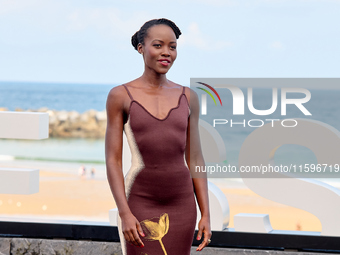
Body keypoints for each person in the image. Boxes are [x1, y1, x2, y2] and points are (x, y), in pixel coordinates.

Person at [105, 18, 211, 255]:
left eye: (172, 47)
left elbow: (196, 160)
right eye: (158, 45)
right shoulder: (120, 96)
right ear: (141, 48)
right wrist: (124, 213)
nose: (166, 53)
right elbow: (113, 160)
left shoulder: (188, 97)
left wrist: (205, 213)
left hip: (182, 204)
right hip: (139, 201)